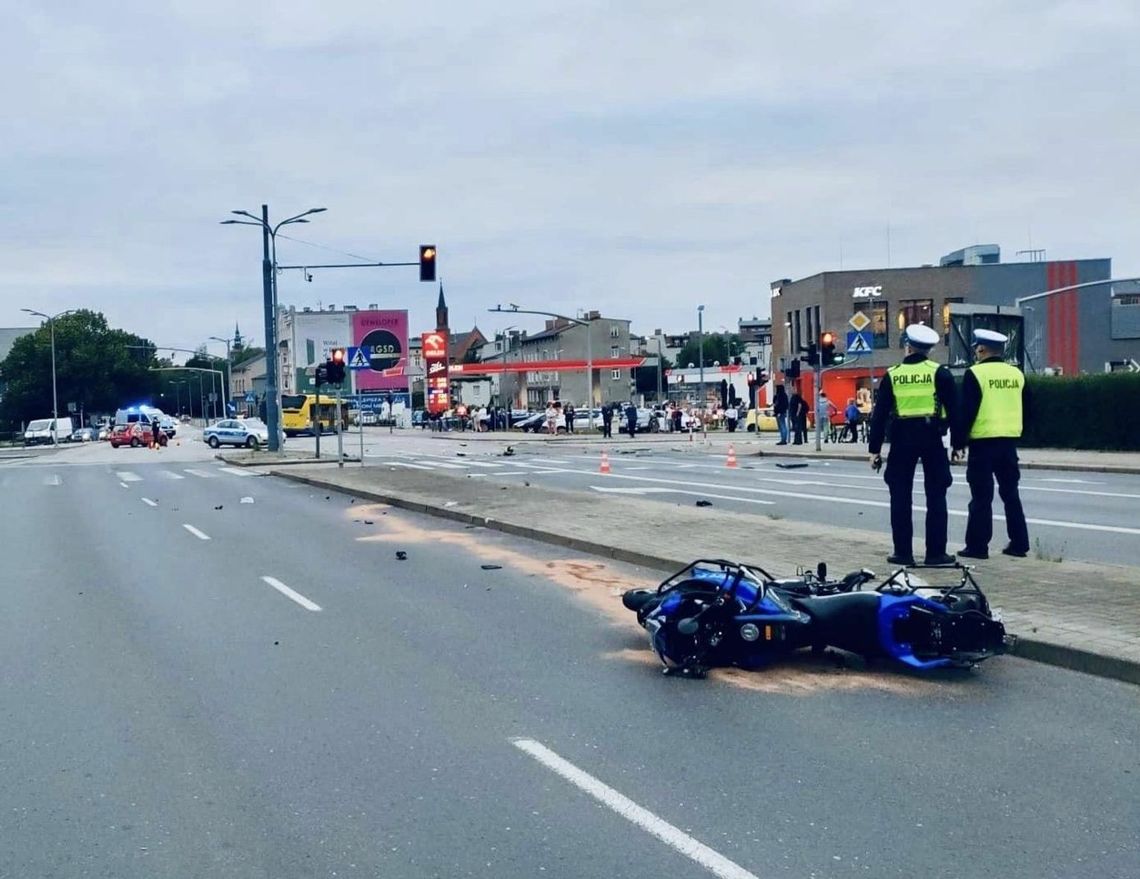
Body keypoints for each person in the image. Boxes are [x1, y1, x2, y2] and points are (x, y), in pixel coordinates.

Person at [867, 324, 962, 567]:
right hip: (932, 438)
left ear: (907, 346)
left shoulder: (893, 374)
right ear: (929, 349)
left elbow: (879, 415)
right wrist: (959, 445)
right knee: (936, 494)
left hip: (901, 439)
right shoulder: (939, 373)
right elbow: (956, 411)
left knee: (900, 495)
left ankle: (902, 552)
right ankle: (936, 554)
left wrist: (874, 450)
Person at [956, 329, 1031, 559]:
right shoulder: (1016, 374)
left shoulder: (975, 373)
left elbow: (966, 411)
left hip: (983, 443)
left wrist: (958, 443)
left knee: (981, 497)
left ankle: (978, 547)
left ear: (981, 349)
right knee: (1011, 494)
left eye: (977, 348)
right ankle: (1019, 544)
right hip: (1008, 443)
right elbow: (1029, 408)